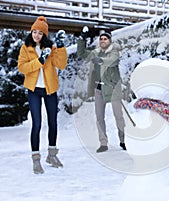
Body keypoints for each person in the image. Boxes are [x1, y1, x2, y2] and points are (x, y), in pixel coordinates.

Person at [18, 16, 68, 174]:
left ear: (44, 35)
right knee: (37, 124)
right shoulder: (26, 47)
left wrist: (60, 47)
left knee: (53, 123)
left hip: (49, 90)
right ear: (31, 32)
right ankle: (36, 159)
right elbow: (22, 68)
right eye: (35, 32)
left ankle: (52, 156)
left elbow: (61, 64)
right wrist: (40, 60)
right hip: (34, 90)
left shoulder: (51, 48)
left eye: (40, 33)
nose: (37, 35)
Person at [77, 27, 126, 153]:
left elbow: (112, 61)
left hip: (113, 88)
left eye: (105, 39)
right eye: (101, 39)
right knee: (99, 117)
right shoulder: (95, 52)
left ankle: (123, 140)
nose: (103, 41)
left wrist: (101, 60)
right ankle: (103, 143)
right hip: (99, 88)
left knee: (118, 116)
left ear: (109, 41)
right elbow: (81, 54)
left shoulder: (114, 51)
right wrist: (82, 39)